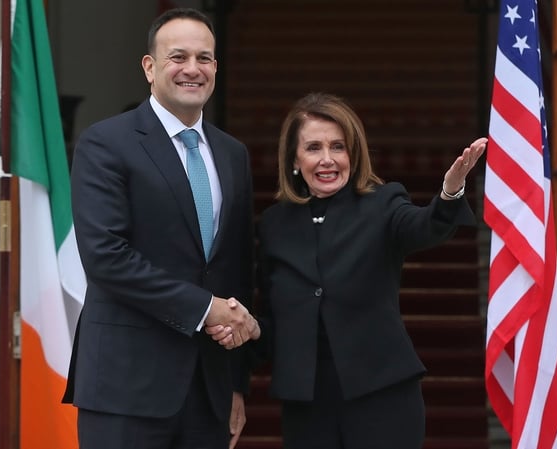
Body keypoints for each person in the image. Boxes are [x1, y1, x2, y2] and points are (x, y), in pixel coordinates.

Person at [208, 92, 487, 449]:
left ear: (353, 154)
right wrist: (244, 341)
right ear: (294, 158)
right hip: (307, 405)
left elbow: (423, 226)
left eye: (338, 147)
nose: (327, 159)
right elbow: (271, 317)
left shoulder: (383, 204)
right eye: (313, 148)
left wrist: (449, 193)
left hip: (383, 398)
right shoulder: (275, 224)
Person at [62, 8, 259, 449]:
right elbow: (106, 257)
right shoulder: (105, 142)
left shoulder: (233, 154)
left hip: (208, 390)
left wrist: (235, 383)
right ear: (150, 67)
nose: (193, 69)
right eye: (178, 57)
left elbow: (236, 269)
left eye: (204, 58)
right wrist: (206, 309)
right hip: (125, 388)